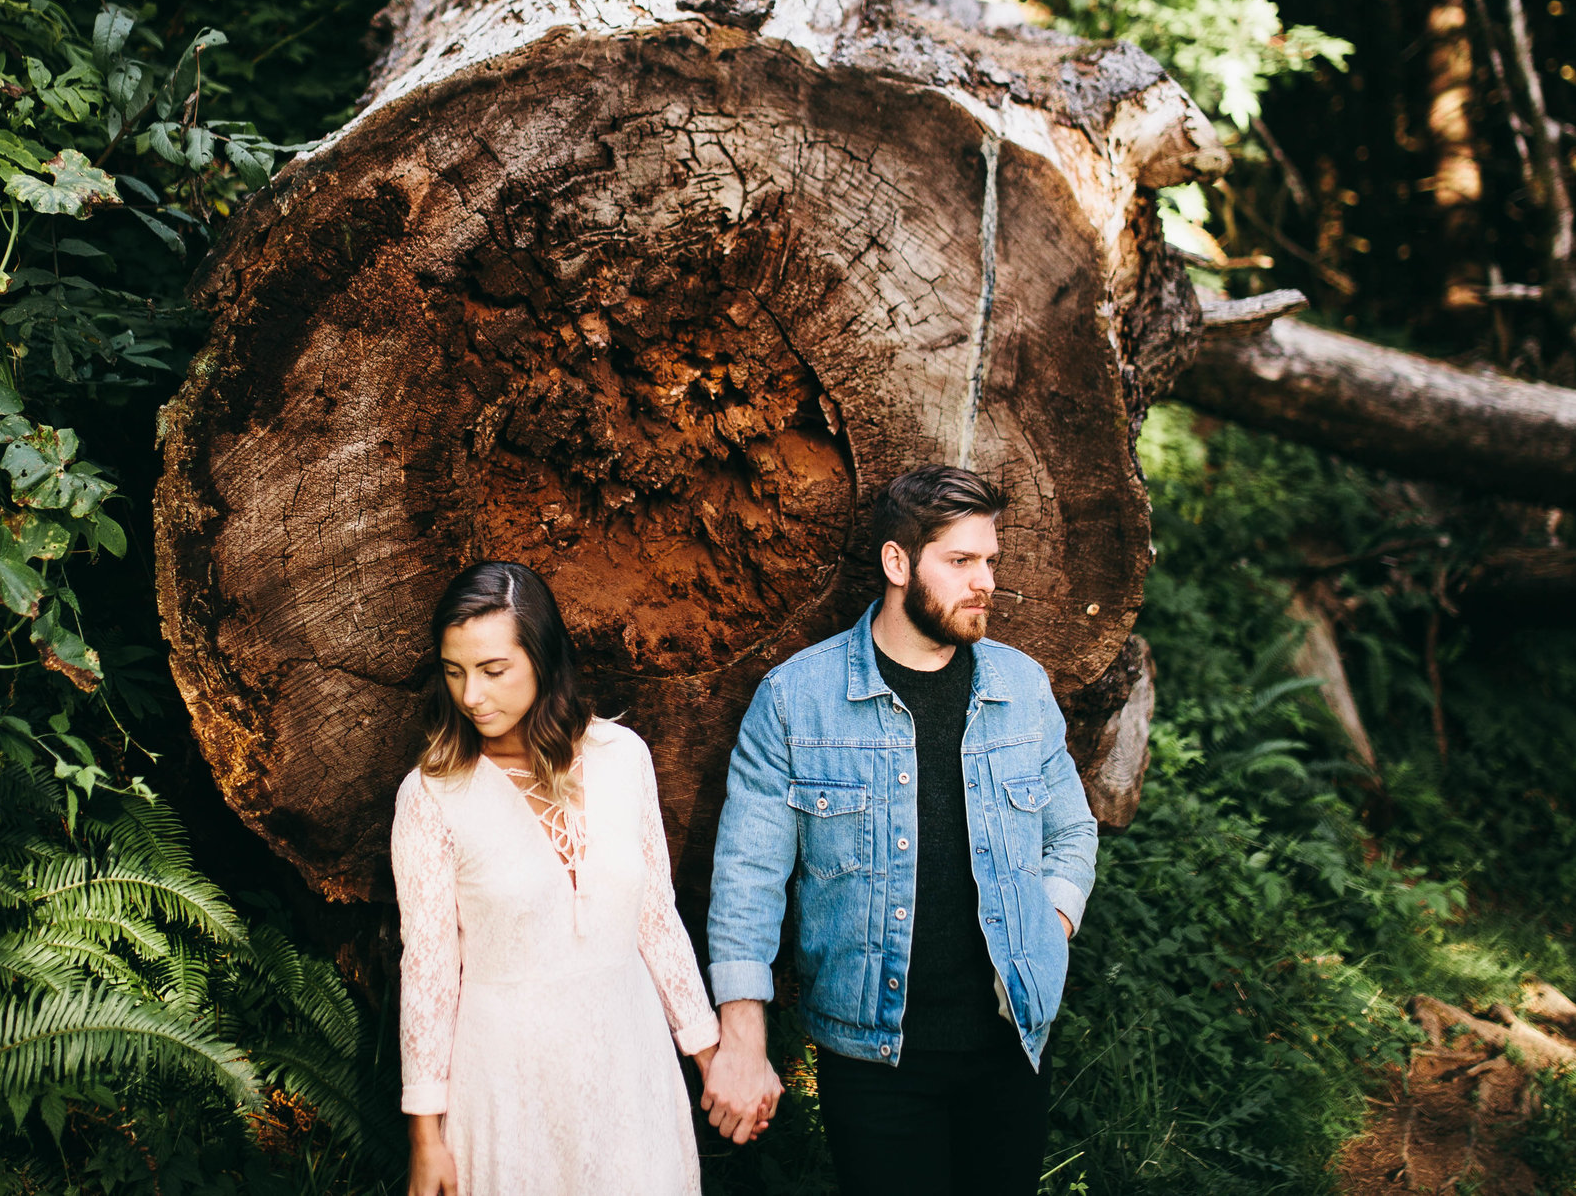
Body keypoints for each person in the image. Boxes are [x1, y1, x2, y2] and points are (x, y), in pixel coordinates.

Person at [700, 466, 1100, 1196]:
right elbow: (747, 878)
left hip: (1012, 1043)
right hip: (873, 1054)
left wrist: (1048, 925)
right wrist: (743, 1036)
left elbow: (1072, 830)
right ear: (896, 562)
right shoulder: (797, 701)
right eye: (960, 561)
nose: (985, 582)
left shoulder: (1023, 688)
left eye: (990, 561)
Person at [394, 561, 721, 1196]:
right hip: (508, 1086)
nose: (471, 696)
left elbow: (655, 916)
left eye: (493, 670)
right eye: (454, 672)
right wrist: (425, 1137)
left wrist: (708, 1053)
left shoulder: (622, 758)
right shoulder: (431, 797)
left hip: (630, 1068)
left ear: (543, 657)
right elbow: (429, 970)